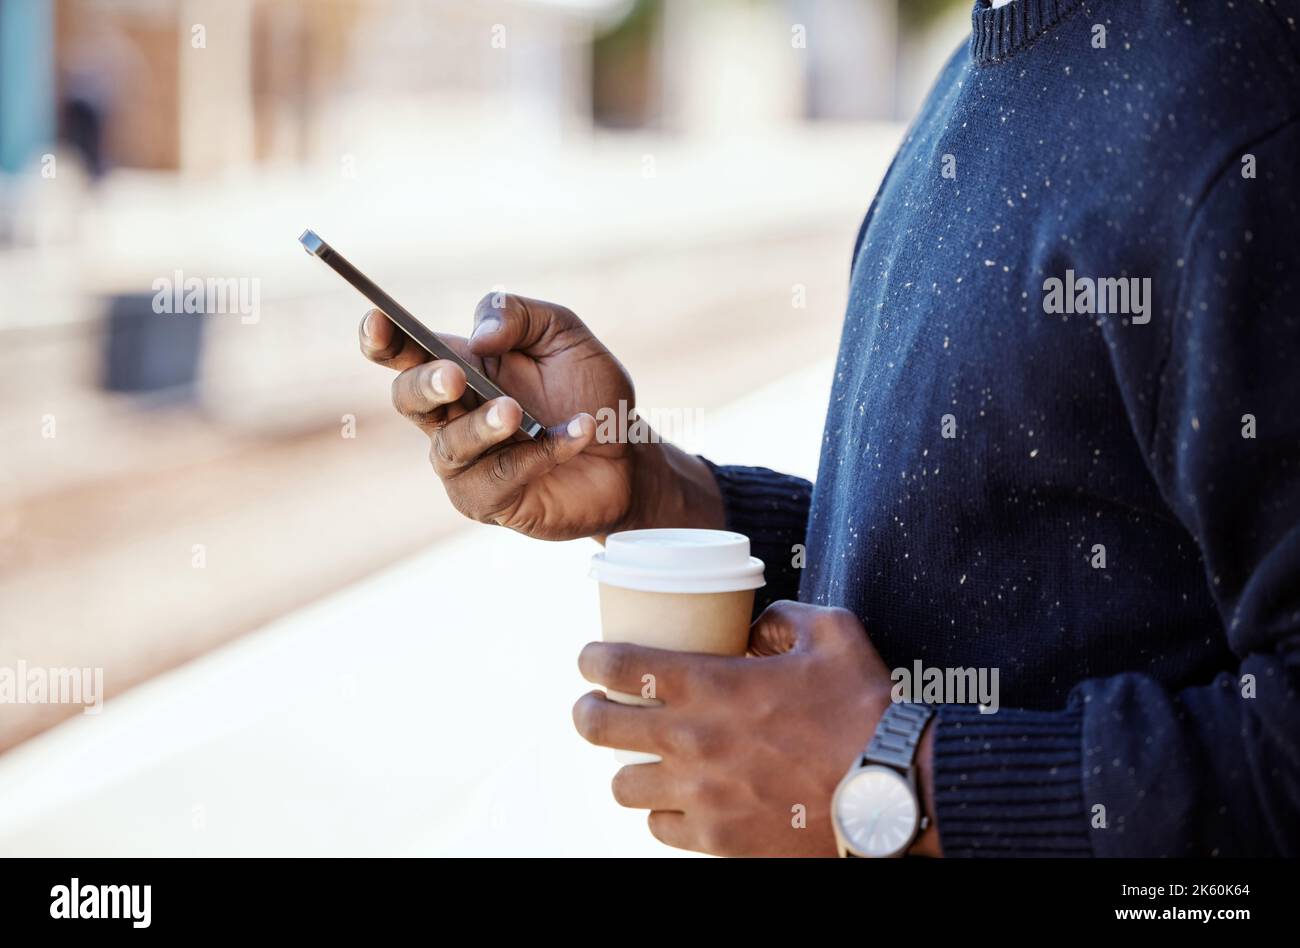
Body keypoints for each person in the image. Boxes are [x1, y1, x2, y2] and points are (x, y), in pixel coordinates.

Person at [359, 0, 1300, 857]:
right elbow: (1008, 570)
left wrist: (897, 780)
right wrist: (656, 492)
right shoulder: (987, 65)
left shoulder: (1240, 104)